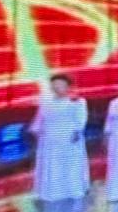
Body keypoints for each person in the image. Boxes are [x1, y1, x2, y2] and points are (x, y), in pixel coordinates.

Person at [30, 73, 89, 201]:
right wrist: (36, 130)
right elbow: (40, 118)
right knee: (51, 164)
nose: (56, 87)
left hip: (68, 137)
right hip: (49, 138)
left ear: (68, 87)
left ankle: (72, 190)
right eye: (54, 84)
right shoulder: (45, 100)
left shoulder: (77, 101)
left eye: (60, 85)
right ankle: (52, 191)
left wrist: (76, 132)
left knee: (70, 164)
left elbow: (81, 119)